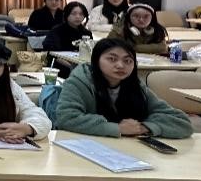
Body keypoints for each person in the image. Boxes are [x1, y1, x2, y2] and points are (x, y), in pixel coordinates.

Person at [56, 39, 193, 138]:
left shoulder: (135, 86)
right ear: (96, 60)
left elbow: (182, 123)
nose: (120, 65)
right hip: (85, 147)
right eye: (112, 59)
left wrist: (143, 128)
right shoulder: (79, 81)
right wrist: (117, 128)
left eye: (127, 61)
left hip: (128, 151)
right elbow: (66, 118)